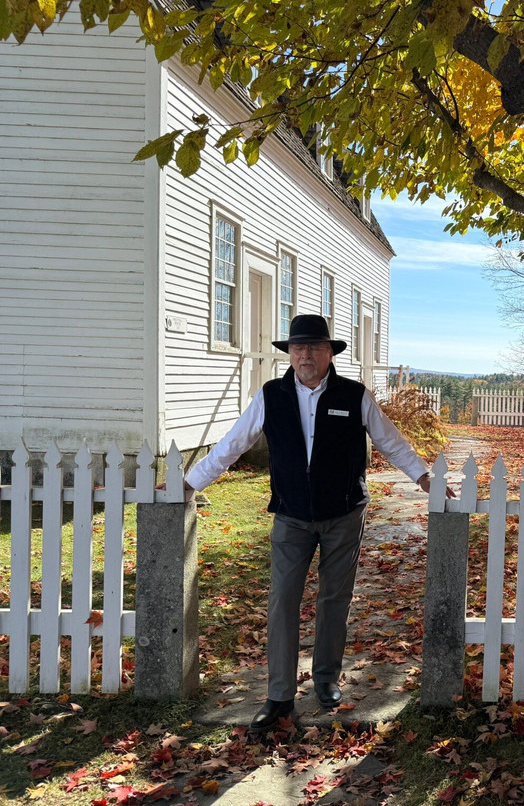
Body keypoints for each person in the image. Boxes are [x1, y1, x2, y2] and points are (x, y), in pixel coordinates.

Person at [185, 314, 450, 732]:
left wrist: (422, 476)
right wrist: (189, 482)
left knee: (334, 599)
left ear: (330, 353)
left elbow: (389, 439)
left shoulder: (354, 394)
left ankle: (326, 679)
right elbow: (233, 443)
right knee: (283, 600)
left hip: (344, 513)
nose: (305, 354)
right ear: (289, 353)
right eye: (297, 348)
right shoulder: (270, 395)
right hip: (291, 515)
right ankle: (279, 695)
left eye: (314, 347)